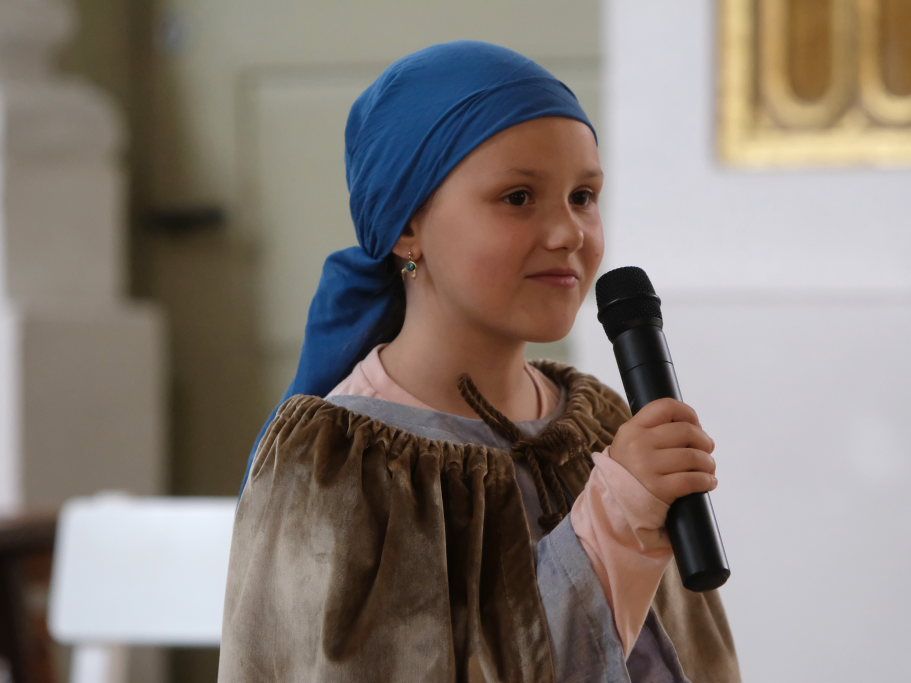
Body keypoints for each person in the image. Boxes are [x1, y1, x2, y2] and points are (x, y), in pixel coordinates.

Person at [218, 39, 741, 682]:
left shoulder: (603, 425)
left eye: (583, 195)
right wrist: (615, 521)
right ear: (407, 227)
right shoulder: (337, 467)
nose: (569, 232)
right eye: (518, 197)